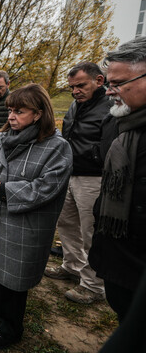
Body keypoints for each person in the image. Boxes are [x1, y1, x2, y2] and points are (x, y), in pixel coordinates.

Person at [0, 84, 72, 349]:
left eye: (20, 111)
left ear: (38, 114)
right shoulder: (1, 138)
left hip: (22, 223)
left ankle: (12, 325)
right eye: (10, 110)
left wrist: (3, 188)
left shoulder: (55, 147)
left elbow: (47, 187)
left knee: (13, 276)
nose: (11, 116)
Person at [88, 36, 146, 323]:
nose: (109, 92)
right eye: (109, 84)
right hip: (121, 264)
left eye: (118, 83)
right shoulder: (121, 124)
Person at [44, 62, 110, 304]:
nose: (75, 91)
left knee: (90, 231)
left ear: (99, 81)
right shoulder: (75, 104)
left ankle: (93, 286)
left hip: (94, 178)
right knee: (66, 223)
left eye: (80, 85)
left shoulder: (111, 106)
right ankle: (72, 266)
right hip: (69, 174)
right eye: (72, 87)